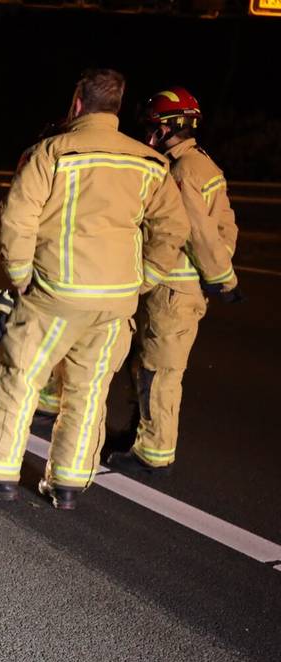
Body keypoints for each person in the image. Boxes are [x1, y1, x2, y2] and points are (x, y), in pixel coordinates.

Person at [0, 68, 188, 510]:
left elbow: (17, 218)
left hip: (54, 294)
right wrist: (147, 277)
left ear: (77, 103)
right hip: (116, 301)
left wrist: (20, 275)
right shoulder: (151, 163)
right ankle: (68, 485)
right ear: (117, 107)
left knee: (19, 378)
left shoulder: (53, 153)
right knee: (88, 389)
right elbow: (173, 229)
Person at [105, 87, 241, 477]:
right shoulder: (199, 164)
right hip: (173, 288)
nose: (148, 137)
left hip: (173, 290)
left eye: (154, 128)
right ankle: (139, 434)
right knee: (145, 364)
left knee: (160, 371)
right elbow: (226, 225)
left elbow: (196, 231)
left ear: (171, 127)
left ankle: (153, 452)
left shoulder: (182, 171)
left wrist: (221, 280)